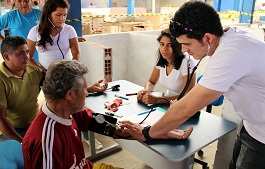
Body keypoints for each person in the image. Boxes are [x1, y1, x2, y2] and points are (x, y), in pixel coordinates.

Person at [120, 1, 265, 169]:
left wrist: (146, 133)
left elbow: (185, 108)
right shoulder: (229, 39)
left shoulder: (232, 53)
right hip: (250, 125)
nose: (183, 50)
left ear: (207, 38)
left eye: (187, 44)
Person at [22, 60, 193, 168]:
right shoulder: (46, 140)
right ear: (69, 94)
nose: (87, 93)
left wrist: (160, 131)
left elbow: (115, 129)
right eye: (84, 88)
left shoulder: (71, 112)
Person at [27, 0, 104, 149]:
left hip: (69, 76)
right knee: (57, 108)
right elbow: (28, 56)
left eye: (64, 15)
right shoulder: (35, 31)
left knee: (77, 106)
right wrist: (41, 70)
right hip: (48, 77)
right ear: (48, 14)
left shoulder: (69, 30)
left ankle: (87, 136)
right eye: (58, 15)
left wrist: (73, 70)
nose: (62, 19)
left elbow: (76, 52)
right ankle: (62, 137)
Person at [0, 36, 45, 143]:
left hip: (35, 123)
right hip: (12, 130)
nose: (27, 57)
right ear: (7, 56)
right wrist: (22, 143)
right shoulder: (1, 79)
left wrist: (87, 88)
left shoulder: (35, 72)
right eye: (21, 53)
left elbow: (58, 86)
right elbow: (1, 120)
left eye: (27, 52)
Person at [137, 29, 196, 105]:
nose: (165, 49)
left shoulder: (187, 62)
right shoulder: (162, 61)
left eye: (169, 45)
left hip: (184, 105)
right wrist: (145, 91)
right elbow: (151, 82)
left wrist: (158, 100)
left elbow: (187, 96)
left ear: (177, 46)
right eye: (162, 44)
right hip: (168, 102)